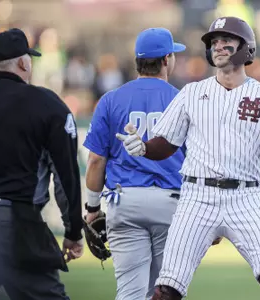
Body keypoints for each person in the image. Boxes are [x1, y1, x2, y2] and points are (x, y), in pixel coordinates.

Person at [116, 17, 260, 300]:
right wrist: (143, 148)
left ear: (245, 47)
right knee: (167, 289)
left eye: (226, 40)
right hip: (197, 195)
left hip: (245, 197)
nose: (219, 46)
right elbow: (166, 143)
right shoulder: (192, 92)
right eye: (214, 42)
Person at [0, 28, 83, 300]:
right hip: (17, 223)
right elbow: (66, 175)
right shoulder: (46, 103)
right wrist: (73, 230)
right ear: (22, 62)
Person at [82, 28, 189, 300]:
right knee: (166, 291)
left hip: (125, 201)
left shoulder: (111, 99)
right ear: (166, 59)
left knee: (130, 292)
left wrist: (92, 208)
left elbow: (95, 160)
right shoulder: (183, 100)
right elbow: (199, 163)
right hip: (171, 203)